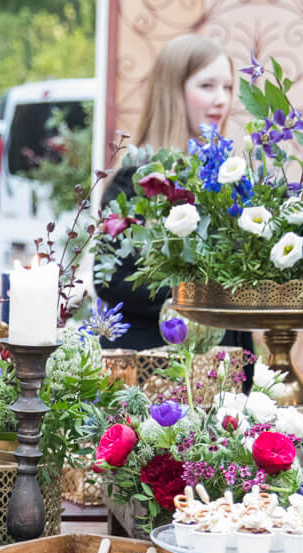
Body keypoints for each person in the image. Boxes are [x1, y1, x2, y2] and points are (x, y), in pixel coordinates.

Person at [96, 35, 249, 356]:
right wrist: (203, 297)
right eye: (207, 86)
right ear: (172, 92)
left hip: (223, 369)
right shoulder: (136, 181)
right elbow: (113, 279)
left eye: (228, 87)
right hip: (155, 368)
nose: (222, 99)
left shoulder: (225, 182)